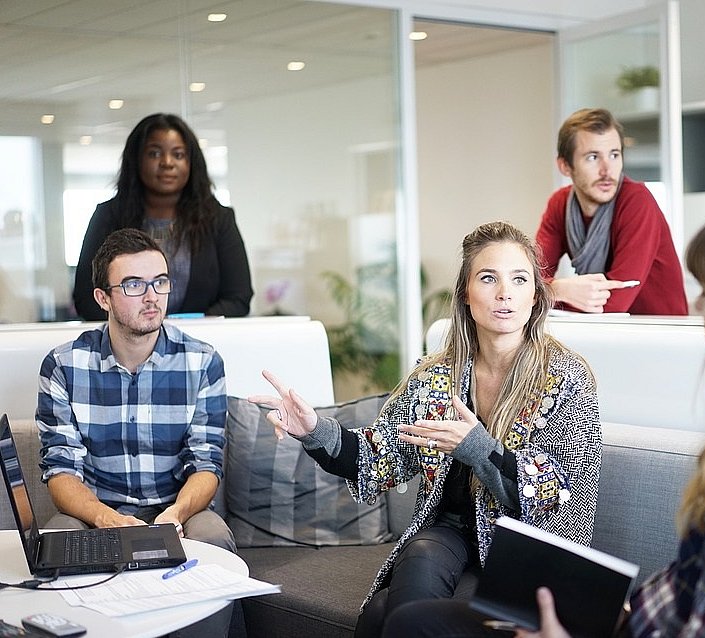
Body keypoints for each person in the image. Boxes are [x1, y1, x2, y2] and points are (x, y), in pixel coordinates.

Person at [397, 205, 705, 638]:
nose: (700, 308)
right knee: (404, 613)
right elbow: (696, 593)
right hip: (627, 619)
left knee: (412, 624)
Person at [249, 221, 602, 637]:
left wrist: (477, 447)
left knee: (384, 612)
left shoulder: (566, 377)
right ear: (466, 295)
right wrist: (313, 429)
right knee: (417, 560)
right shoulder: (436, 375)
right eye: (488, 278)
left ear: (535, 296)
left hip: (524, 547)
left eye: (519, 279)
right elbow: (378, 456)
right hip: (449, 531)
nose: (505, 292)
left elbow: (564, 498)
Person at [38, 229, 238, 636]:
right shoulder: (64, 366)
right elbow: (60, 471)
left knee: (213, 537)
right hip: (97, 510)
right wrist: (106, 519)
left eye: (160, 281)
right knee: (56, 540)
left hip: (178, 508)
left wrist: (175, 516)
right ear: (103, 298)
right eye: (133, 284)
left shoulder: (202, 363)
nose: (152, 296)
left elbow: (207, 464)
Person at [72, 113, 253, 321]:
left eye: (178, 155)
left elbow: (238, 298)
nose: (167, 163)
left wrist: (187, 328)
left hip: (200, 344)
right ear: (136, 160)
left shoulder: (219, 219)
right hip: (127, 346)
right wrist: (139, 326)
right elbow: (86, 298)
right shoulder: (108, 217)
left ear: (191, 163)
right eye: (154, 154)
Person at [535, 108, 687, 315]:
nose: (607, 170)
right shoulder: (559, 204)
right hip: (604, 333)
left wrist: (549, 293)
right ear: (565, 166)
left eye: (614, 155)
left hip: (659, 335)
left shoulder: (637, 201)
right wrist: (558, 289)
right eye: (592, 157)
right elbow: (528, 281)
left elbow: (614, 303)